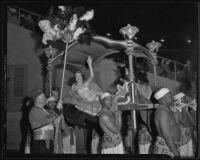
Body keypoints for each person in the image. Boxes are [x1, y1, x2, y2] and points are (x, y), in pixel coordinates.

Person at [29, 89, 61, 154]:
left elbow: (53, 110)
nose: (46, 98)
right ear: (38, 99)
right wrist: (57, 109)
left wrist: (56, 98)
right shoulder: (34, 110)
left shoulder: (43, 110)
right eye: (44, 97)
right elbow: (48, 119)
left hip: (48, 141)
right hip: (41, 142)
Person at [153, 88, 181, 157]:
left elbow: (176, 125)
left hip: (171, 145)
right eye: (169, 96)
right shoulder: (162, 112)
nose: (172, 97)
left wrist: (174, 112)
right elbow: (166, 135)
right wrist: (177, 154)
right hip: (166, 146)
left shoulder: (167, 110)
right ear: (162, 99)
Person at [171, 92, 195, 157]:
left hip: (188, 137)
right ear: (179, 100)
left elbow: (193, 123)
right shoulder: (175, 110)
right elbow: (183, 123)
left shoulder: (184, 109)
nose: (185, 101)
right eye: (183, 99)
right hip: (181, 138)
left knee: (190, 154)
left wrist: (186, 111)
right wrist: (184, 111)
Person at [135, 78, 153, 154]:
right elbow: (146, 120)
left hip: (145, 132)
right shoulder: (142, 102)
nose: (146, 87)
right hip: (145, 132)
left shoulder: (145, 101)